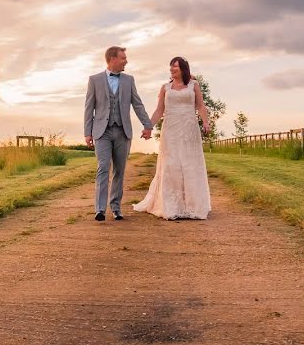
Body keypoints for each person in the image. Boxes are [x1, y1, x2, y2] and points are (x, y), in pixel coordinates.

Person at [133, 56, 211, 220]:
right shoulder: (165, 88)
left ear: (183, 68)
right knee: (172, 165)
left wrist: (206, 122)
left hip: (189, 130)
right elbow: (159, 111)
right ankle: (172, 205)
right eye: (171, 66)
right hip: (171, 131)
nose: (172, 69)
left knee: (190, 165)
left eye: (175, 66)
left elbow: (200, 106)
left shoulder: (194, 85)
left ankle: (192, 206)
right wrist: (149, 127)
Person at [84, 46, 153, 221]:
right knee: (103, 168)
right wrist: (87, 132)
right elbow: (89, 107)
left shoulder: (129, 80)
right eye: (123, 58)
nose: (126, 61)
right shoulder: (94, 80)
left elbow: (137, 104)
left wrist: (148, 125)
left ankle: (115, 207)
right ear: (112, 59)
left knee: (119, 171)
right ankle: (100, 209)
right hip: (102, 132)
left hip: (123, 131)